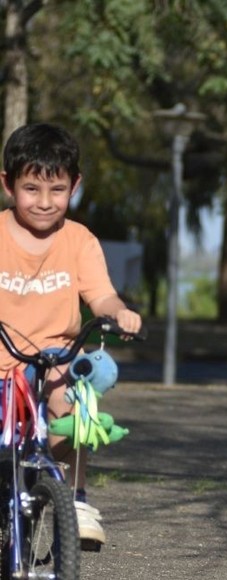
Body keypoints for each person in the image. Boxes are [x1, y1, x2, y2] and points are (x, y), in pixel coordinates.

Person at [0, 123, 143, 545]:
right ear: (8, 185)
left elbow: (100, 295)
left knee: (76, 402)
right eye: (31, 189)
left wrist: (119, 313)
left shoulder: (79, 240)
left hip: (55, 357)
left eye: (57, 190)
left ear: (75, 186)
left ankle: (75, 498)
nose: (44, 203)